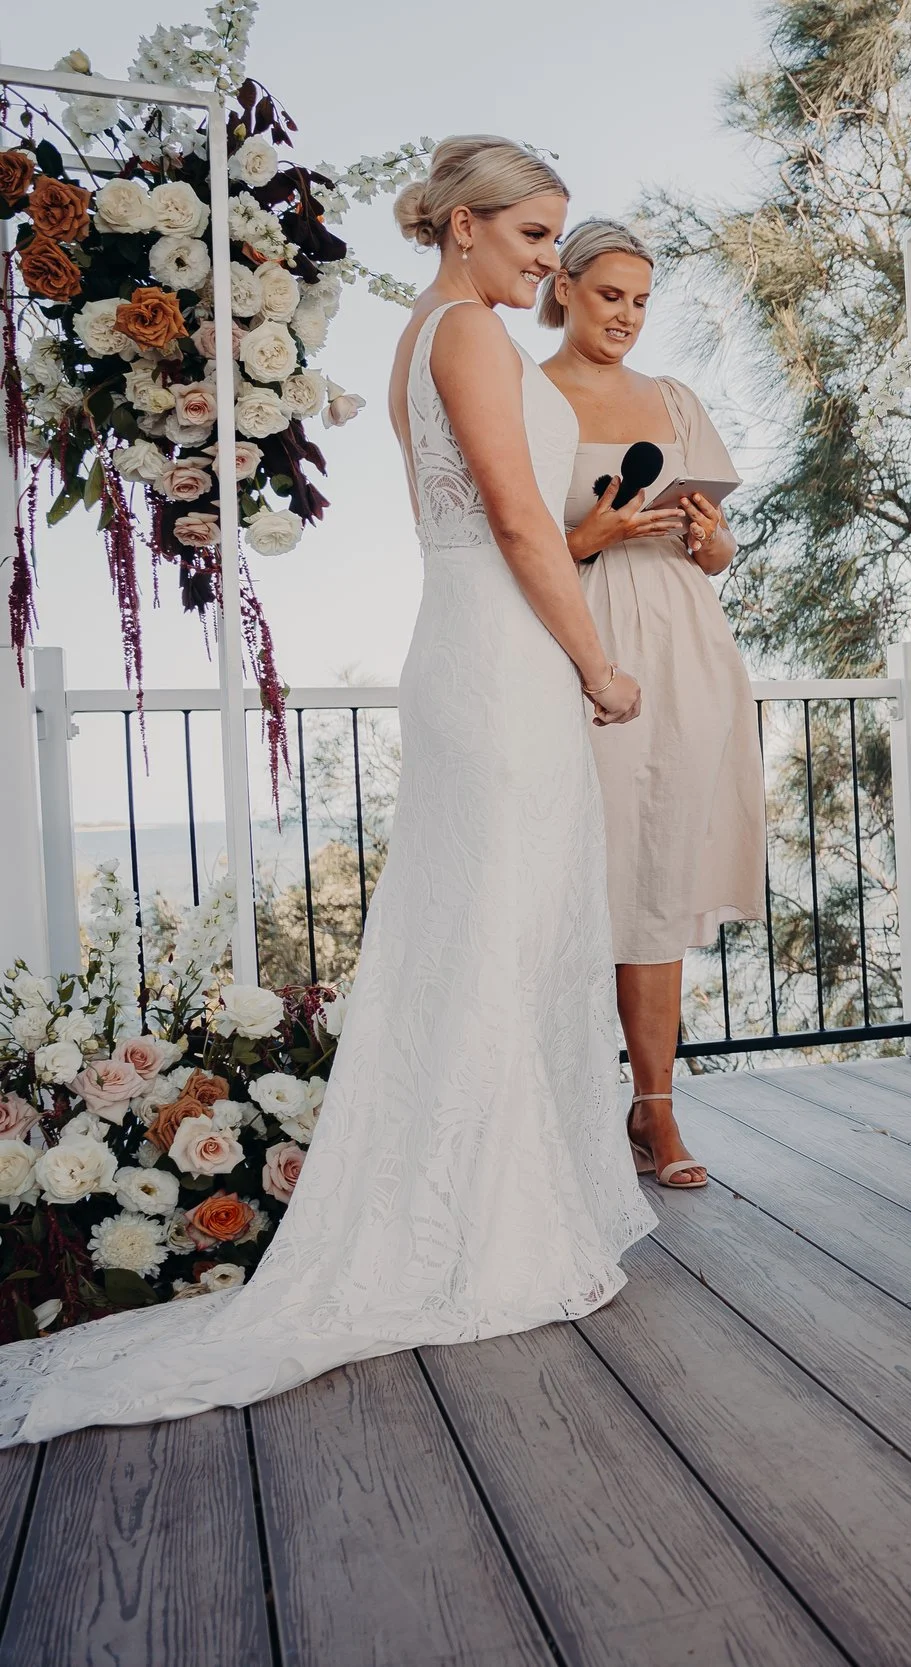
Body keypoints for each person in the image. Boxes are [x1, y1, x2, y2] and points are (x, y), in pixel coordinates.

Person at [0, 138, 654, 1446]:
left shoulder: (433, 331)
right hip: (509, 646)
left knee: (496, 930)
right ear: (463, 228)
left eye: (552, 240)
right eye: (530, 236)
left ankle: (490, 1203)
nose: (547, 263)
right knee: (496, 932)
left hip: (478, 638)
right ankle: (481, 1230)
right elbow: (523, 525)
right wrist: (598, 660)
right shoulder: (464, 333)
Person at [541, 219, 767, 1189]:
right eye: (608, 296)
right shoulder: (529, 395)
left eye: (640, 300)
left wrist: (707, 535)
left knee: (657, 877)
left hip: (681, 639)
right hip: (579, 634)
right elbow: (514, 539)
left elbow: (718, 555)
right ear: (563, 286)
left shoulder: (673, 399)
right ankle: (559, 1103)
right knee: (576, 870)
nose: (626, 316)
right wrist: (592, 532)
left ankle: (657, 1113)